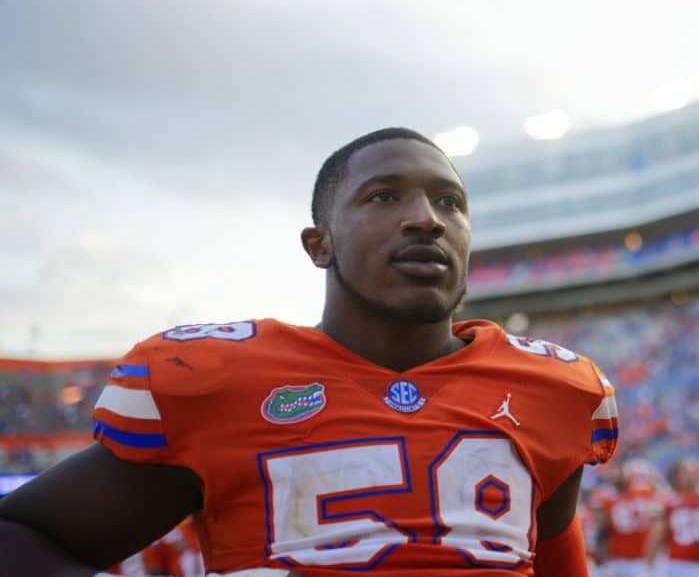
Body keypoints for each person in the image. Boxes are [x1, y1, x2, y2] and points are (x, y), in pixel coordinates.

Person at [0, 127, 620, 576]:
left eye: (450, 202)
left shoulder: (555, 388)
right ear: (319, 244)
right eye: (384, 196)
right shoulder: (216, 381)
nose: (426, 219)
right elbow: (19, 533)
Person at [643, 458, 699, 577]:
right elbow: (656, 535)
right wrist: (649, 566)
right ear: (676, 477)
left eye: (692, 472)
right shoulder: (666, 501)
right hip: (680, 565)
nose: (690, 476)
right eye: (685, 473)